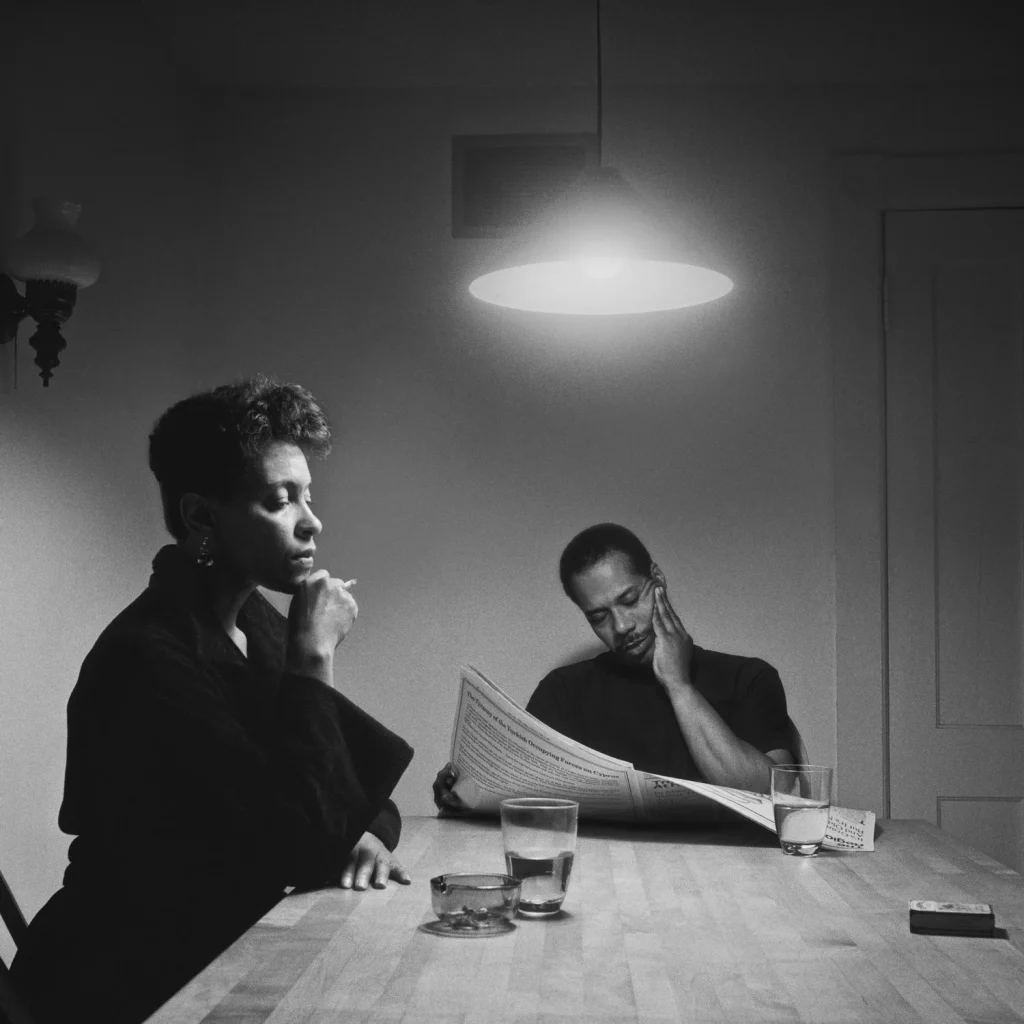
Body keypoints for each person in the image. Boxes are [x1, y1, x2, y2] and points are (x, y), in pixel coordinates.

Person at [12, 376, 414, 1024]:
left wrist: (371, 832)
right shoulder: (147, 658)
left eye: (307, 495)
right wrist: (314, 657)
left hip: (229, 952)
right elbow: (301, 843)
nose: (312, 521)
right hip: (129, 985)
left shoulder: (253, 621)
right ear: (202, 517)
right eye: (280, 501)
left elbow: (350, 789)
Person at [434, 523, 796, 812]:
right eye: (599, 616)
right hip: (600, 877)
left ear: (657, 580)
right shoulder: (564, 691)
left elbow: (770, 795)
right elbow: (526, 806)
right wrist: (467, 795)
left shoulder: (749, 678)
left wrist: (678, 685)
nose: (621, 626)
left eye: (629, 599)